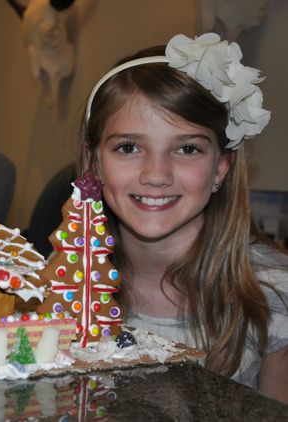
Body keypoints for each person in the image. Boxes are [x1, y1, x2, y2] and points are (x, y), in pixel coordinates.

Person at [79, 33, 288, 402]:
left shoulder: (272, 294)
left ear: (221, 167)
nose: (156, 175)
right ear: (95, 162)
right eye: (128, 147)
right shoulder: (66, 283)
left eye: (187, 148)